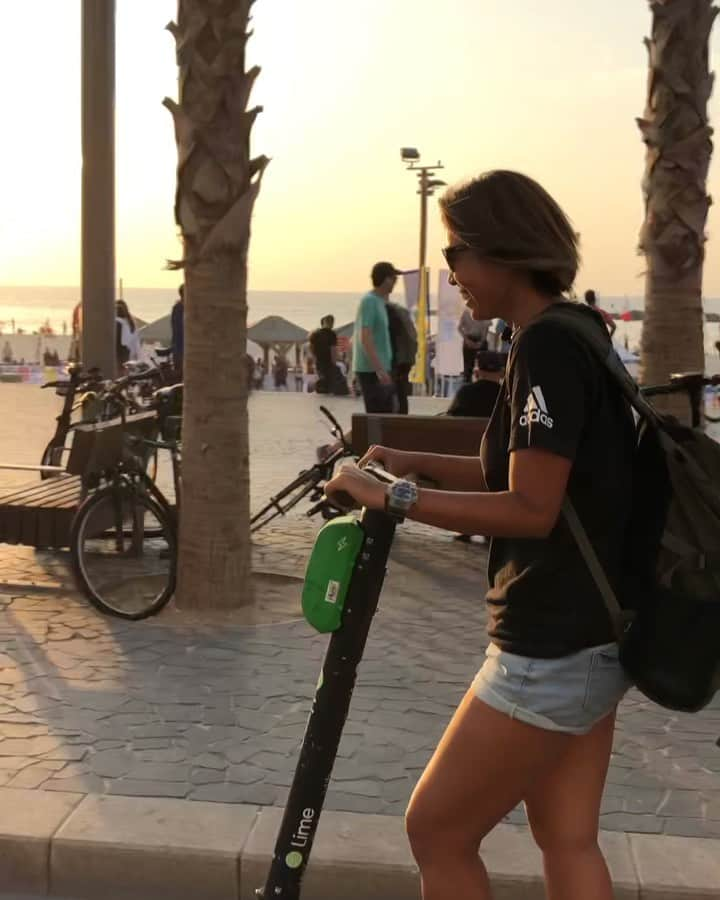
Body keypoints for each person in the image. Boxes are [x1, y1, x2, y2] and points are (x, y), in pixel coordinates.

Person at [325, 170, 635, 900]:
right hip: (596, 634)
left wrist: (395, 498)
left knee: (436, 832)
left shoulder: (549, 350)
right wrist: (411, 461)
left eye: (459, 251)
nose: (452, 272)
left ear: (504, 250)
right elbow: (521, 468)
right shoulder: (575, 332)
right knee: (567, 838)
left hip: (550, 643)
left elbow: (532, 508)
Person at [352, 261, 401, 413]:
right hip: (371, 370)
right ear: (386, 279)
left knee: (388, 412)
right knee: (377, 416)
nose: (396, 282)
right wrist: (379, 369)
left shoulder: (380, 301)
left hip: (382, 367)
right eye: (394, 278)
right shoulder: (369, 301)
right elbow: (365, 337)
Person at [386, 300, 418, 415]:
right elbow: (414, 338)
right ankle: (402, 415)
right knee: (401, 389)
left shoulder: (391, 318)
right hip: (406, 358)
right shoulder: (403, 316)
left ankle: (397, 415)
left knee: (394, 389)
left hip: (398, 359)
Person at [458, 307, 490, 382]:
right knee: (468, 366)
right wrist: (467, 340)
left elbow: (486, 329)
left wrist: (481, 342)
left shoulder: (484, 312)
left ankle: (479, 383)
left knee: (482, 365)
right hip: (470, 339)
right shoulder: (466, 312)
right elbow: (459, 328)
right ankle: (468, 383)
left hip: (479, 340)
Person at [308, 315, 338, 392]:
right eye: (331, 322)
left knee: (321, 381)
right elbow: (333, 350)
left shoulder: (315, 333)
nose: (332, 324)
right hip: (328, 363)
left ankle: (320, 396)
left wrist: (315, 358)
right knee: (328, 384)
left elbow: (311, 347)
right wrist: (334, 364)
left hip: (319, 362)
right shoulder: (332, 334)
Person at [116, 299, 141, 366]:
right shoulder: (131, 322)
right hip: (131, 355)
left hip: (121, 355)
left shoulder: (117, 322)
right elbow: (136, 342)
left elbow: (123, 342)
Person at [171, 285, 184, 378]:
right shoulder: (179, 308)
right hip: (180, 349)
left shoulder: (177, 307)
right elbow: (178, 329)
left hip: (178, 348)